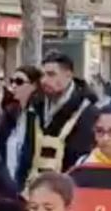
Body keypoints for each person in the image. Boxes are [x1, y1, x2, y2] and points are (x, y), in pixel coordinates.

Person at [25, 51, 99, 186]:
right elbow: (26, 150)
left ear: (68, 75)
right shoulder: (35, 105)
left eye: (51, 74)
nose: (44, 80)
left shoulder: (88, 111)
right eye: (43, 75)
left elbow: (83, 154)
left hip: (70, 187)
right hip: (35, 185)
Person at [0, 65, 42, 192]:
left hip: (29, 186)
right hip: (7, 185)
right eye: (12, 81)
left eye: (19, 82)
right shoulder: (9, 114)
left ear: (34, 86)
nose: (14, 86)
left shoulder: (38, 116)